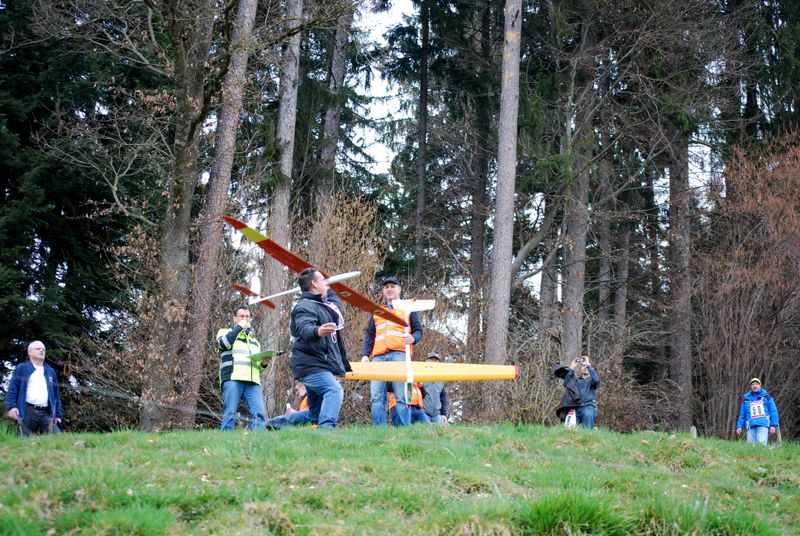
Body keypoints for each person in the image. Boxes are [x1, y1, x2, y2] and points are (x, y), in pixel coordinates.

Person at [290, 267, 351, 429]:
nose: (327, 283)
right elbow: (304, 329)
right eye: (323, 280)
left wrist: (330, 291)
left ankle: (274, 424)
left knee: (314, 414)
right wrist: (317, 331)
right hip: (311, 364)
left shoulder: (322, 306)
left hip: (318, 363)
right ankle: (326, 430)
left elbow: (337, 310)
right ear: (314, 284)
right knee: (334, 390)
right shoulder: (305, 306)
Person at [360, 276, 423, 426]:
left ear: (399, 289)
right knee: (376, 396)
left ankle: (403, 430)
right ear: (383, 291)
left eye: (392, 286)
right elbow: (370, 335)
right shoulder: (377, 311)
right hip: (378, 358)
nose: (389, 289)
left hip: (399, 355)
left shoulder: (408, 308)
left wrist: (413, 338)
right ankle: (379, 431)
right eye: (386, 287)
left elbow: (419, 330)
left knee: (401, 396)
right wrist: (365, 355)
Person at [216, 305, 267, 431]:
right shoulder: (224, 332)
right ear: (234, 318)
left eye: (247, 316)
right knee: (230, 412)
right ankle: (225, 439)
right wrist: (239, 327)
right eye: (241, 316)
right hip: (233, 378)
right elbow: (224, 343)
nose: (245, 319)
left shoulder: (254, 341)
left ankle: (258, 439)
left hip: (252, 382)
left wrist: (264, 363)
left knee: (259, 413)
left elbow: (258, 368)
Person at [6, 341, 64, 435]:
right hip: (27, 411)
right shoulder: (22, 368)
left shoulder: (50, 371)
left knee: (58, 438)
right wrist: (12, 407)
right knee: (22, 440)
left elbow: (56, 396)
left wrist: (57, 415)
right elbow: (13, 390)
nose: (42, 350)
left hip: (46, 413)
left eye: (43, 349)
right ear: (30, 352)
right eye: (38, 349)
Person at [557, 355, 600, 429]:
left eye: (586, 366)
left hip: (588, 406)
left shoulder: (592, 381)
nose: (585, 367)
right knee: (570, 427)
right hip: (575, 407)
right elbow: (566, 383)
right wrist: (571, 368)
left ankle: (590, 432)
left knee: (588, 415)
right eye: (583, 366)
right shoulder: (576, 381)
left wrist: (588, 364)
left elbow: (597, 380)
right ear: (580, 368)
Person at [736, 377, 779, 445]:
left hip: (763, 424)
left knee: (761, 445)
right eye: (753, 384)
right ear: (750, 387)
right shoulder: (746, 399)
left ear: (760, 386)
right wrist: (739, 426)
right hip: (750, 425)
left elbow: (773, 411)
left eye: (756, 384)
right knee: (750, 447)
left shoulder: (767, 397)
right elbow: (742, 414)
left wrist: (773, 425)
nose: (755, 386)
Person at [421, 351, 449, 424]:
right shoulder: (421, 376)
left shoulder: (441, 379)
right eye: (431, 360)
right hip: (423, 412)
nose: (433, 362)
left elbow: (443, 398)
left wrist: (444, 415)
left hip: (437, 414)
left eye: (436, 360)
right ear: (426, 361)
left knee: (446, 427)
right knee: (426, 429)